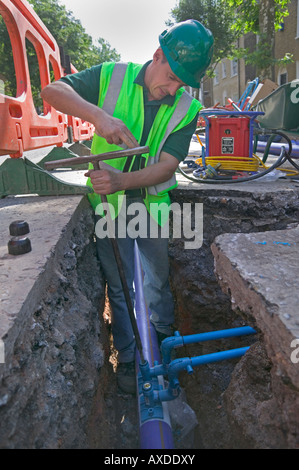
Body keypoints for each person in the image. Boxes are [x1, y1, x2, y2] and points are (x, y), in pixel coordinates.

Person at [41, 19, 214, 394]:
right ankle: (130, 362)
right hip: (110, 208)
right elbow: (52, 91)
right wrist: (99, 116)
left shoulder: (187, 108)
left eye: (181, 83)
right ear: (156, 55)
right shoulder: (112, 76)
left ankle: (165, 355)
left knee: (156, 284)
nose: (172, 89)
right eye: (170, 77)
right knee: (120, 289)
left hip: (152, 207)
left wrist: (121, 180)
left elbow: (167, 166)